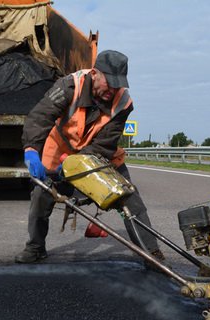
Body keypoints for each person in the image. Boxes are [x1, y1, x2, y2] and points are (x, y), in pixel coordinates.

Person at [15, 50, 165, 264]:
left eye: (118, 84)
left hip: (98, 156)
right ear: (95, 73)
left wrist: (73, 165)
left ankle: (151, 254)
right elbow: (41, 116)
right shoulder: (69, 86)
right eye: (109, 83)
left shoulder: (123, 103)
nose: (112, 90)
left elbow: (104, 144)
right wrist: (31, 150)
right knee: (41, 195)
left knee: (130, 199)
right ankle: (36, 247)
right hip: (59, 152)